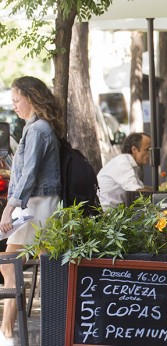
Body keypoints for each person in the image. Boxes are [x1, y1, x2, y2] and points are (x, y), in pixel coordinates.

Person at [0, 76, 64, 345]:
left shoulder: (38, 130)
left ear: (31, 97)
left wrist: (9, 207)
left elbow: (28, 174)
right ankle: (9, 333)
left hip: (36, 206)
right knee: (15, 267)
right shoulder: (37, 127)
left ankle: (9, 334)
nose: (14, 105)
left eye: (16, 100)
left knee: (15, 266)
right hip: (38, 206)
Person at [97, 133, 151, 208]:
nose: (150, 153)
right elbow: (136, 190)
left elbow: (140, 187)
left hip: (115, 211)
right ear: (134, 150)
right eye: (147, 149)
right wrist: (161, 194)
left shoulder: (129, 163)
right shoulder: (123, 162)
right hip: (107, 214)